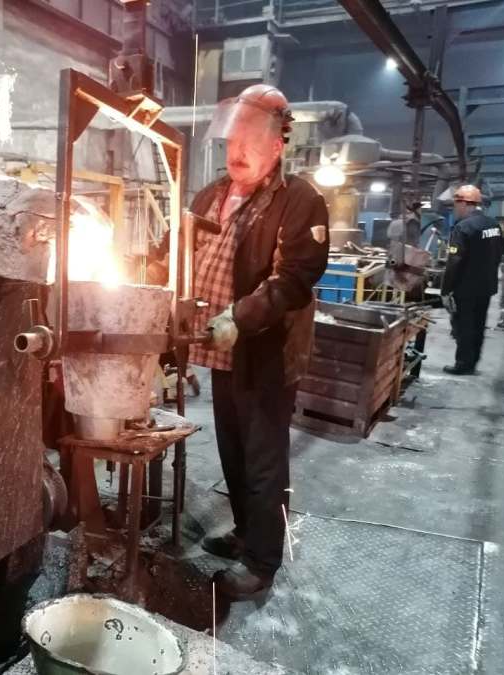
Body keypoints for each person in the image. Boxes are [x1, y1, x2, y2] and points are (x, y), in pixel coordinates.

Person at [189, 84, 329, 600]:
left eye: (250, 141)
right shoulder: (212, 194)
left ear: (276, 144)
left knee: (264, 459)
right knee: (232, 449)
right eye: (232, 140)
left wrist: (239, 318)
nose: (237, 151)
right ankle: (246, 532)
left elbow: (294, 278)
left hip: (265, 351)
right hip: (220, 350)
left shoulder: (300, 200)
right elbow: (178, 250)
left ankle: (263, 561)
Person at [440, 185, 503, 375]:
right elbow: (498, 255)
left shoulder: (463, 227)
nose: (455, 209)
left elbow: (454, 261)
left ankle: (463, 364)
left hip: (466, 288)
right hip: (486, 286)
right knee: (478, 324)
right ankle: (473, 362)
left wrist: (446, 290)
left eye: (456, 204)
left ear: (465, 204)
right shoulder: (493, 225)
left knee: (465, 326)